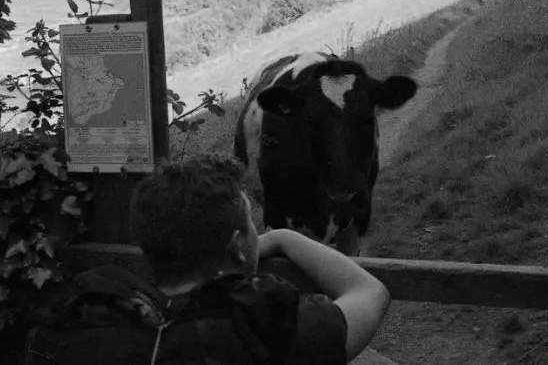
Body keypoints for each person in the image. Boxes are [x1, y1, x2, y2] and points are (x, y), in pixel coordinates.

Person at [24, 153, 391, 364]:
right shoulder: (261, 326)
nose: (255, 228)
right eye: (249, 220)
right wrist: (281, 238)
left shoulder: (92, 320)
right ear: (236, 245)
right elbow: (369, 292)